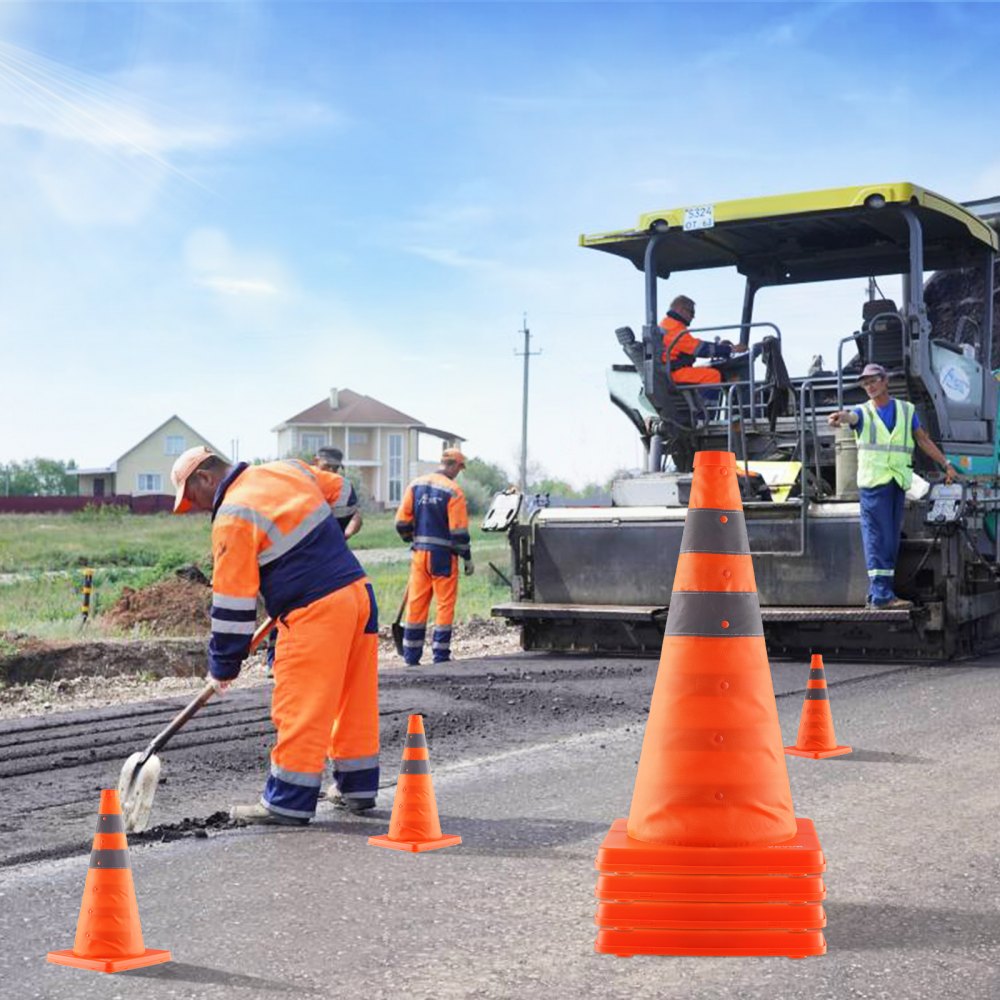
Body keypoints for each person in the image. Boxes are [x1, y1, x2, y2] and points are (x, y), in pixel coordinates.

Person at [169, 445, 379, 824]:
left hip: (316, 610)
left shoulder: (233, 515)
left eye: (193, 497)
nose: (198, 507)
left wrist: (223, 666)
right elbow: (345, 493)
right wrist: (324, 543)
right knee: (353, 699)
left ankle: (287, 802)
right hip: (358, 594)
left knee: (301, 704)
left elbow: (233, 606)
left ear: (205, 477)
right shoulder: (288, 470)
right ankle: (357, 788)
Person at [828, 363, 957, 609]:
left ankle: (878, 594)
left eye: (873, 380)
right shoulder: (862, 412)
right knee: (877, 539)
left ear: (885, 381)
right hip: (873, 486)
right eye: (865, 383)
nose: (869, 386)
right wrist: (839, 417)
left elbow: (923, 440)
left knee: (889, 540)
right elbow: (850, 417)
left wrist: (946, 463)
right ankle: (881, 597)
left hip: (897, 482)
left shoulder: (906, 411)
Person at [394, 448, 472, 666]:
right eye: (459, 468)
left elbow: (401, 523)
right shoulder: (454, 491)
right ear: (455, 465)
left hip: (420, 555)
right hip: (444, 558)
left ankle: (411, 656)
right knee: (445, 605)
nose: (459, 472)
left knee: (416, 603)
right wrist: (467, 557)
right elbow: (459, 533)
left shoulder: (415, 485)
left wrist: (412, 539)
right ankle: (440, 656)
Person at [660, 295, 745, 386]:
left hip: (673, 370)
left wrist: (722, 349)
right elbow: (700, 349)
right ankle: (705, 401)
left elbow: (695, 346)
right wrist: (730, 349)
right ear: (681, 310)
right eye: (691, 313)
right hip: (674, 373)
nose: (693, 317)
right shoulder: (673, 327)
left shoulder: (670, 325)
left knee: (709, 370)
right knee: (712, 376)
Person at [314, 447, 363, 540]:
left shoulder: (341, 488)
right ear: (316, 461)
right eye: (327, 466)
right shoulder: (302, 480)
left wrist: (347, 533)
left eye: (335, 467)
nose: (331, 471)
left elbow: (356, 517)